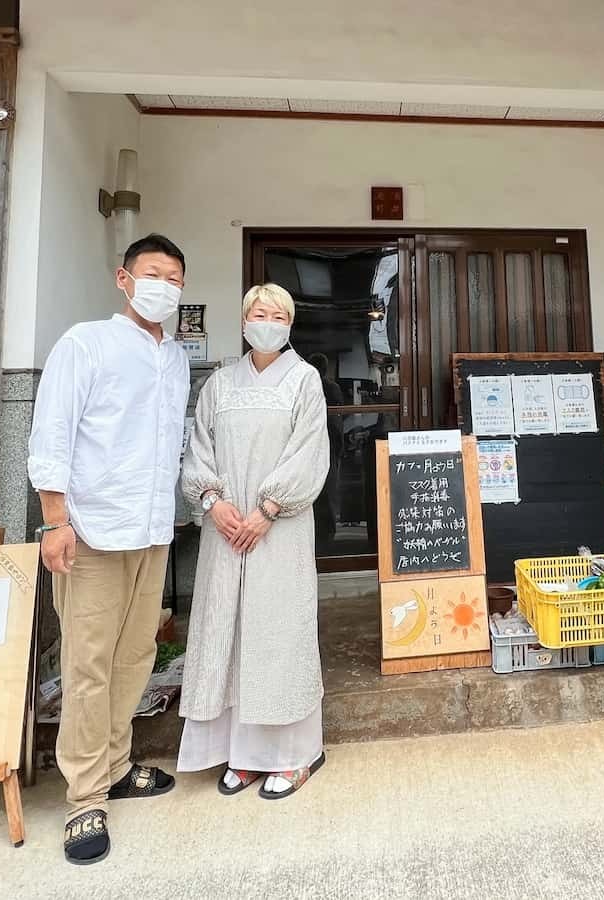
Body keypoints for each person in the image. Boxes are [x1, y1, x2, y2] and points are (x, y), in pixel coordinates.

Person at [28, 233, 189, 865]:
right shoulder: (84, 343)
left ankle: (119, 765)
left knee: (134, 655)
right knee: (88, 664)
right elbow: (52, 431)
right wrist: (54, 519)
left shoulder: (175, 357)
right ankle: (84, 795)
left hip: (150, 529)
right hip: (89, 531)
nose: (165, 287)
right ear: (124, 279)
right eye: (154, 274)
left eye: (175, 278)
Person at [177, 282, 330, 799]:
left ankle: (294, 754)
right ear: (244, 320)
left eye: (277, 314)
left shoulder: (305, 380)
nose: (267, 320)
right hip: (226, 531)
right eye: (258, 312)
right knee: (230, 630)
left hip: (278, 530)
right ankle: (241, 755)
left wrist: (268, 509)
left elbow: (309, 452)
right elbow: (200, 449)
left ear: (289, 324)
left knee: (278, 632)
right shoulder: (219, 384)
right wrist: (212, 501)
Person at [307, 352, 343, 549]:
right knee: (328, 488)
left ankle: (317, 531)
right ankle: (328, 531)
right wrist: (340, 446)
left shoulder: (304, 386)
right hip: (329, 442)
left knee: (313, 488)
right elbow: (338, 420)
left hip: (311, 444)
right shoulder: (331, 387)